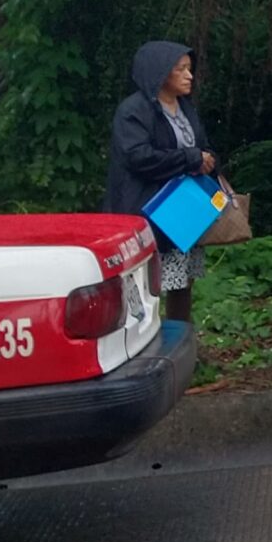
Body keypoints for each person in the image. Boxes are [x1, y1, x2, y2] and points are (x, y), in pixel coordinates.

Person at [105, 40, 218, 327]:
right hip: (146, 212)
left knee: (182, 282)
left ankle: (180, 341)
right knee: (146, 285)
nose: (189, 75)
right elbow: (138, 157)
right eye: (180, 69)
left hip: (182, 210)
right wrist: (190, 158)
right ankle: (144, 347)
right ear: (159, 73)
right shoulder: (134, 111)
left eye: (189, 69)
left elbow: (199, 145)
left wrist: (207, 160)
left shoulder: (185, 107)